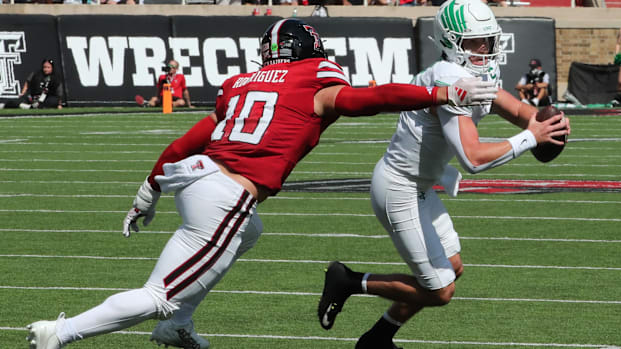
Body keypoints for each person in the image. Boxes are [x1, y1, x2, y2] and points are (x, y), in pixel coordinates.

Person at [25, 18, 497, 349]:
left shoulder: (242, 84)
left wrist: (148, 189)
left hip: (197, 179)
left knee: (249, 232)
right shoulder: (314, 80)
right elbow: (371, 97)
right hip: (229, 192)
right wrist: (439, 92)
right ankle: (60, 333)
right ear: (309, 50)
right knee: (159, 296)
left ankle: (178, 327)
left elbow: (189, 139)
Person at [317, 0, 570, 349]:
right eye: (474, 42)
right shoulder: (450, 78)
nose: (484, 49)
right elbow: (473, 158)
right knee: (439, 289)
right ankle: (349, 281)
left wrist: (548, 121)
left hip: (419, 187)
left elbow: (513, 107)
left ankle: (377, 339)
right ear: (452, 44)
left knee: (452, 267)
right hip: (399, 187)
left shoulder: (473, 71)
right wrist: (531, 137)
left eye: (488, 40)